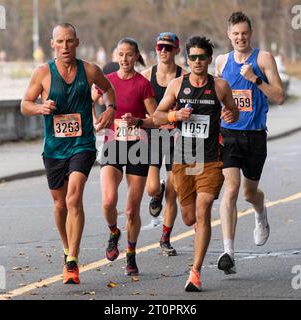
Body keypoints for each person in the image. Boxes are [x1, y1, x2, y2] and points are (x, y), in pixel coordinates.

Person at [21, 23, 116, 285]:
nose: (65, 46)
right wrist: (40, 108)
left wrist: (110, 109)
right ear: (52, 44)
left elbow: (108, 89)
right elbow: (24, 105)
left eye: (69, 41)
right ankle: (66, 248)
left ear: (77, 42)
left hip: (82, 144)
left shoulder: (89, 70)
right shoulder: (42, 73)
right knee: (60, 203)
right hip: (53, 148)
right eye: (60, 42)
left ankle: (72, 260)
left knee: (74, 197)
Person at [154, 36, 239, 292]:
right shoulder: (177, 85)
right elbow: (157, 116)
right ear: (187, 59)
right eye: (193, 57)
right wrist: (174, 115)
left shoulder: (221, 86)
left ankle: (195, 271)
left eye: (202, 57)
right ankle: (198, 233)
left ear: (209, 59)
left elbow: (233, 111)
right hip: (182, 160)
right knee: (190, 217)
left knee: (203, 211)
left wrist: (229, 114)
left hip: (211, 159)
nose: (197, 61)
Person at [214, 11, 284, 275]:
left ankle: (260, 213)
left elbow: (279, 96)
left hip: (255, 135)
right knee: (230, 190)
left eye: (244, 33)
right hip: (229, 134)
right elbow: (216, 94)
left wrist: (255, 78)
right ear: (228, 35)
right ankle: (228, 252)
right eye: (235, 34)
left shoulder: (263, 59)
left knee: (248, 193)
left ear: (250, 33)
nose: (240, 38)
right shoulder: (221, 62)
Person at [98, 37, 157, 276]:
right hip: (113, 144)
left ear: (136, 57)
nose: (124, 59)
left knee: (132, 211)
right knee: (108, 201)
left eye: (129, 54)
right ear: (116, 56)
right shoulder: (107, 82)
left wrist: (140, 122)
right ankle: (114, 232)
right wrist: (96, 118)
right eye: (120, 54)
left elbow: (157, 119)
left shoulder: (143, 84)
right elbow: (88, 101)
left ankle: (131, 254)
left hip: (137, 148)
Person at [141, 32, 187, 256]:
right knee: (151, 188)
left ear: (177, 50)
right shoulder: (145, 75)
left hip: (176, 138)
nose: (164, 51)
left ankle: (165, 239)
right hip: (152, 137)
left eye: (169, 48)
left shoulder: (185, 77)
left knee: (173, 191)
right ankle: (156, 192)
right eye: (160, 47)